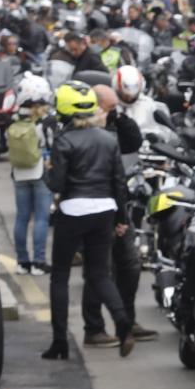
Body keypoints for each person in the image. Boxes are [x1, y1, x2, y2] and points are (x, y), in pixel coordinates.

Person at [43, 82, 135, 360]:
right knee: (99, 274)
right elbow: (119, 183)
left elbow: (57, 184)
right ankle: (122, 322)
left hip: (72, 210)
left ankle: (60, 342)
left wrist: (49, 172)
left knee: (60, 275)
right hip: (105, 209)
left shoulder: (63, 141)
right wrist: (121, 218)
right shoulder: (108, 139)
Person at [80, 85, 154, 349]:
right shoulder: (85, 131)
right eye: (110, 108)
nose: (112, 112)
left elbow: (134, 142)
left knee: (130, 266)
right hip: (97, 210)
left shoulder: (113, 124)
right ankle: (94, 328)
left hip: (118, 205)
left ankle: (128, 321)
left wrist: (120, 117)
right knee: (99, 272)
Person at [7, 75, 55, 275]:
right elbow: (53, 146)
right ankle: (38, 262)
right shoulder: (45, 120)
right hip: (40, 172)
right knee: (41, 219)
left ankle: (22, 262)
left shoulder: (16, 118)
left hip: (19, 172)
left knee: (22, 218)